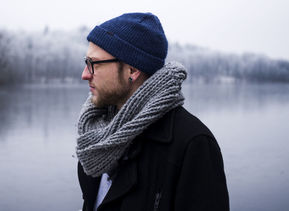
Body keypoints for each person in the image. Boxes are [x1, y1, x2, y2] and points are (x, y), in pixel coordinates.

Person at [76, 12, 229, 211]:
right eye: (85, 63)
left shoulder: (193, 144)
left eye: (93, 64)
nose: (85, 74)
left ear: (132, 70)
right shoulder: (96, 135)